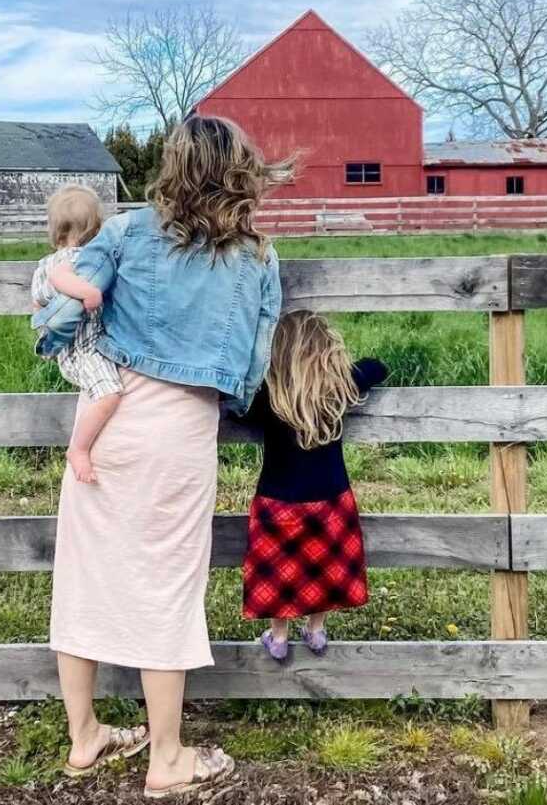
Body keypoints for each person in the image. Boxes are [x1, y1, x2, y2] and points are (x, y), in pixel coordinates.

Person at [39, 115, 290, 798]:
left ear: (172, 166)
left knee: (83, 576)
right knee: (167, 587)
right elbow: (252, 367)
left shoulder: (121, 231)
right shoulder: (258, 257)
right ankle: (168, 755)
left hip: (109, 411)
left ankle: (84, 733)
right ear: (239, 171)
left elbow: (57, 319)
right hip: (179, 429)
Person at [241, 310, 388, 662]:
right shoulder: (340, 386)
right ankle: (316, 629)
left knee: (279, 571)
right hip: (331, 502)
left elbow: (236, 409)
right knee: (322, 567)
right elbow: (378, 366)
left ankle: (278, 636)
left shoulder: (269, 396)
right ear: (327, 352)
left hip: (278, 503)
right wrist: (341, 370)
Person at [31, 185, 121, 483]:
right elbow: (61, 278)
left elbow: (37, 305)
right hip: (84, 349)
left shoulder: (43, 264)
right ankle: (79, 449)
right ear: (95, 226)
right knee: (110, 394)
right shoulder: (75, 257)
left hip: (75, 347)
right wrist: (89, 292)